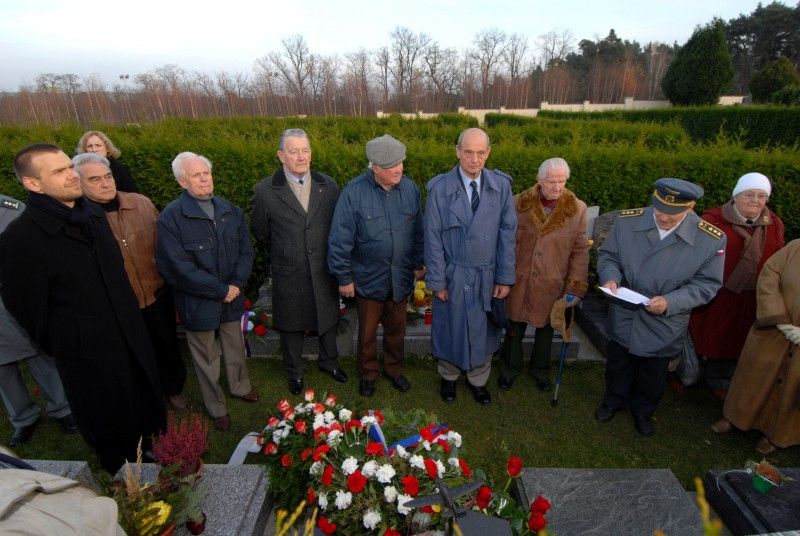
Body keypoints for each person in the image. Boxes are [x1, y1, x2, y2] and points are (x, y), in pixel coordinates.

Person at [0, 144, 165, 473]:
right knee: (112, 431)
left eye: (69, 167)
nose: (71, 175)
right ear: (33, 184)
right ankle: (126, 479)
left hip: (131, 336)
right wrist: (76, 340)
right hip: (88, 356)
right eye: (58, 172)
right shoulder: (20, 239)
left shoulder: (92, 216)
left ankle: (154, 452)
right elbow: (31, 313)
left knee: (146, 409)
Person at [595, 178, 726, 436]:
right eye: (658, 210)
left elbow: (707, 284)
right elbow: (609, 255)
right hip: (626, 312)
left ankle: (644, 412)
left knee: (653, 374)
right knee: (618, 362)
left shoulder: (711, 239)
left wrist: (671, 301)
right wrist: (610, 277)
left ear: (690, 208)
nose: (663, 218)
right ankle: (613, 401)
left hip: (665, 320)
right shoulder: (627, 220)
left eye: (672, 214)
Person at [73, 153, 189, 411]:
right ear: (79, 183)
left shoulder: (142, 204)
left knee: (167, 345)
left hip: (156, 291)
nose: (105, 183)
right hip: (118, 303)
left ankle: (174, 389)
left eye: (107, 176)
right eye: (94, 180)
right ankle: (147, 395)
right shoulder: (78, 219)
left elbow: (168, 245)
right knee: (132, 354)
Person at [156, 151, 257, 431]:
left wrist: (235, 285)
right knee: (207, 358)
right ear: (181, 182)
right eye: (196, 175)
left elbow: (246, 252)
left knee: (234, 347)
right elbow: (177, 268)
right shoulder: (171, 218)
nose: (204, 179)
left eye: (206, 173)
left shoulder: (230, 211)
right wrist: (219, 289)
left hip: (231, 297)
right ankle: (216, 406)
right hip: (198, 303)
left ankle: (240, 386)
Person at [424, 127, 517, 406]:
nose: (474, 159)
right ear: (457, 152)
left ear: (488, 153)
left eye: (480, 153)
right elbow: (433, 238)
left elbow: (507, 234)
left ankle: (478, 380)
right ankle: (448, 377)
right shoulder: (440, 189)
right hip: (454, 274)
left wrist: (504, 277)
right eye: (468, 152)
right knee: (450, 326)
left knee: (483, 330)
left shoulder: (501, 186)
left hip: (486, 275)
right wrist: (438, 282)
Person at [251, 129, 348, 395]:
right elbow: (261, 232)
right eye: (293, 151)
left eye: (305, 150)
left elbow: (337, 227)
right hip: (289, 270)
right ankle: (295, 372)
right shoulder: (265, 190)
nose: (301, 156)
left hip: (322, 268)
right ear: (281, 156)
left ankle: (330, 363)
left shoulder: (328, 185)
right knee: (291, 323)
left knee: (327, 318)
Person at [328, 134, 424, 398]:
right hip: (368, 279)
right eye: (392, 165)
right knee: (367, 334)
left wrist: (419, 263)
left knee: (397, 331)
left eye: (401, 163)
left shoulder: (410, 189)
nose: (399, 169)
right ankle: (368, 373)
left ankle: (394, 370)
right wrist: (344, 277)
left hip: (400, 278)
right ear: (375, 167)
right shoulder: (353, 192)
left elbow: (418, 231)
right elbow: (340, 238)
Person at [689, 172, 784, 400]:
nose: (755, 200)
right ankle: (689, 372)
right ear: (736, 195)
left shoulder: (774, 224)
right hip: (717, 293)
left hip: (751, 296)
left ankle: (720, 380)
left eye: (762, 196)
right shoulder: (713, 220)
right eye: (749, 194)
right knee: (705, 334)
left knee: (736, 340)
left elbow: (779, 257)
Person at [499, 158, 589, 391]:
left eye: (562, 181)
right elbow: (504, 242)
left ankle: (540, 370)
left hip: (552, 283)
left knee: (546, 332)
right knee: (513, 330)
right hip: (519, 280)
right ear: (539, 180)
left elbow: (580, 250)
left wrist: (574, 287)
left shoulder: (577, 209)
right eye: (551, 181)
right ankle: (509, 368)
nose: (557, 187)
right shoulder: (518, 203)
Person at [0, 194, 77, 447]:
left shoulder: (9, 209)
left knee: (39, 353)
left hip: (14, 299)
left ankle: (62, 408)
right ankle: (23, 419)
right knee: (2, 369)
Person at [715, 239, 800, 454]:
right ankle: (734, 418)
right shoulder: (796, 247)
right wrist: (778, 318)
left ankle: (776, 436)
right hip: (772, 332)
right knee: (752, 378)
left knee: (791, 390)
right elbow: (769, 274)